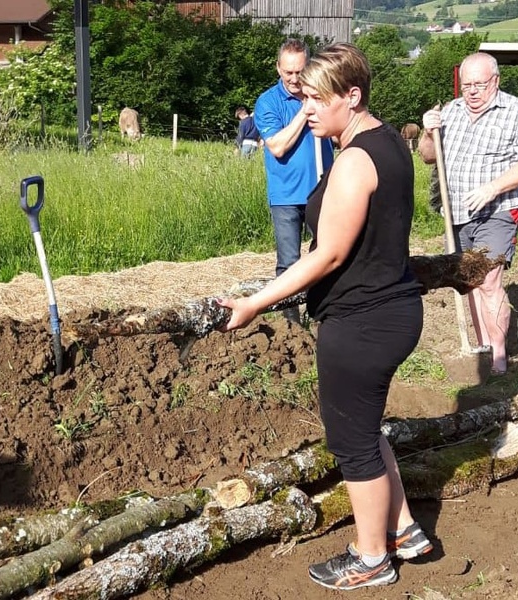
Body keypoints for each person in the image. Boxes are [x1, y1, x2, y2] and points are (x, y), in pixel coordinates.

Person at [219, 42, 432, 590]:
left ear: (352, 96)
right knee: (367, 427)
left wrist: (255, 302)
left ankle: (370, 559)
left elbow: (327, 254)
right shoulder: (385, 142)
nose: (305, 108)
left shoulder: (356, 159)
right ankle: (404, 529)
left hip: (362, 322)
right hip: (393, 310)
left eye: (316, 99)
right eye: (303, 97)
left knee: (353, 441)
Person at [419, 52, 518, 375]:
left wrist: (493, 188)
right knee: (470, 281)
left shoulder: (517, 112)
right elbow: (427, 156)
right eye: (467, 85)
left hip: (499, 209)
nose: (472, 91)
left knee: (488, 279)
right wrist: (427, 131)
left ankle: (500, 359)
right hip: (457, 212)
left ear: (496, 81)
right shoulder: (451, 111)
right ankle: (485, 346)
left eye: (480, 85)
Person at [254, 38, 335, 323]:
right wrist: (305, 110)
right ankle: (292, 326)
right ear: (278, 68)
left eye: (299, 71)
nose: (294, 78)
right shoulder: (268, 102)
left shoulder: (323, 95)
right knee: (289, 263)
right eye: (288, 72)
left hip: (322, 191)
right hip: (286, 196)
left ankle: (324, 316)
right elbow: (277, 146)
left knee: (326, 258)